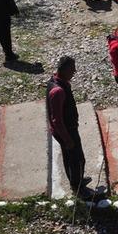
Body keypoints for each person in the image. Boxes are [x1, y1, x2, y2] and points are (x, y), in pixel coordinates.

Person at [46, 56, 100, 199]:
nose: (75, 71)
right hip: (66, 131)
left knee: (69, 157)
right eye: (72, 69)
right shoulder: (58, 91)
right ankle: (79, 188)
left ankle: (75, 180)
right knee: (77, 159)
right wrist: (67, 139)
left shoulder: (57, 82)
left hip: (67, 129)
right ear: (63, 70)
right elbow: (57, 120)